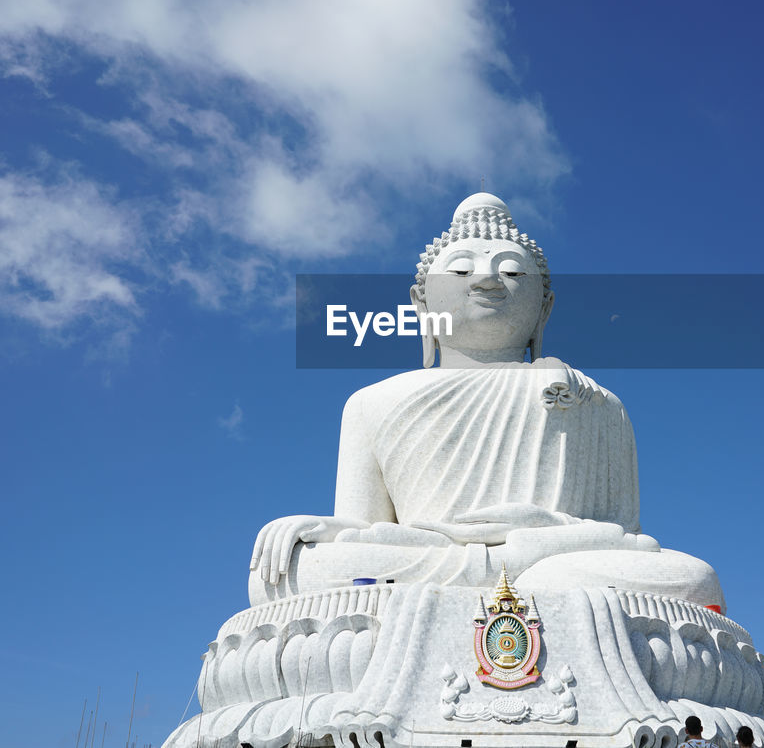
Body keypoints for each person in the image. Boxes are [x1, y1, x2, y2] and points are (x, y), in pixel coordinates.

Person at [247, 193, 725, 611]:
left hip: (555, 560)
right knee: (290, 571)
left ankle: (520, 580)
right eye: (460, 269)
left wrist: (542, 532)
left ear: (545, 306)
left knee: (692, 577)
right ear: (420, 303)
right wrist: (327, 529)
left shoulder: (596, 401)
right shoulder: (371, 403)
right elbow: (365, 524)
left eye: (512, 270)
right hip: (436, 558)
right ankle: (522, 582)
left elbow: (625, 538)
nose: (487, 280)